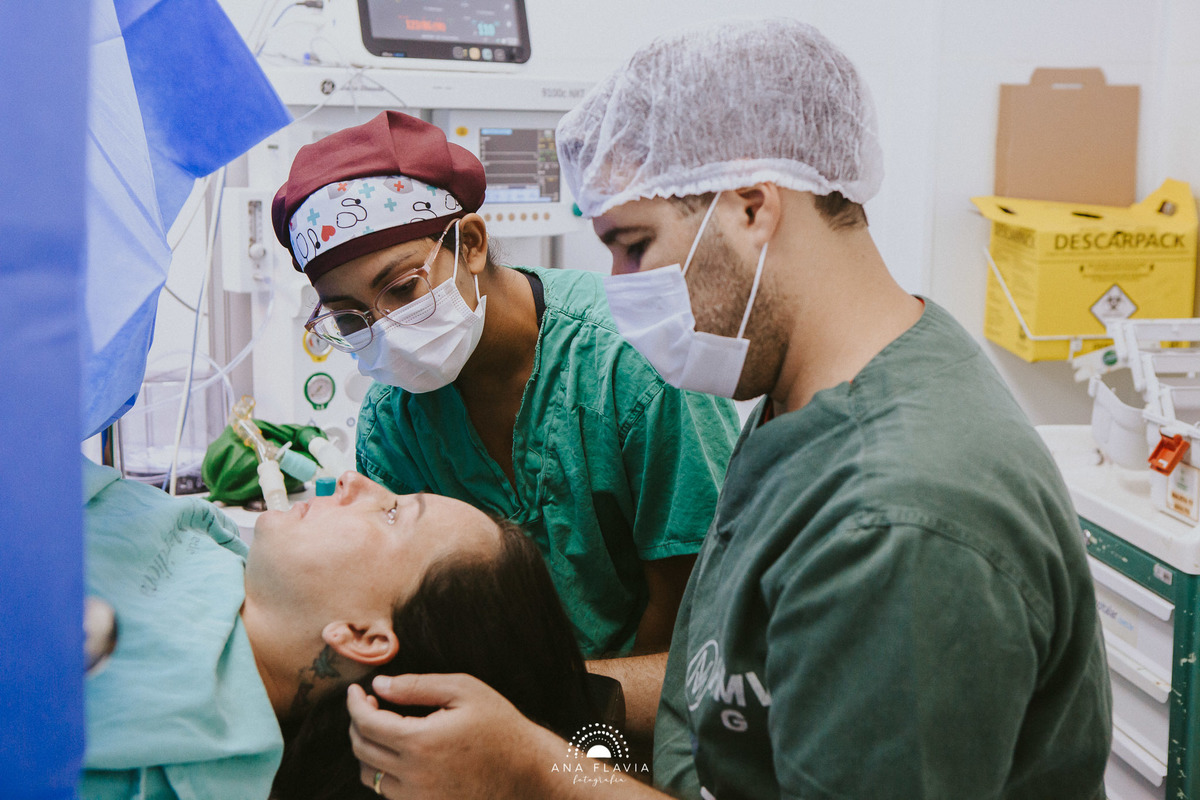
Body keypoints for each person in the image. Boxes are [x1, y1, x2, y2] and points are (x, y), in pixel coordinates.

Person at [344, 17, 1113, 800]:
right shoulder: (798, 403)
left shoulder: (897, 517)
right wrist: (549, 729)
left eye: (634, 245)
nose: (616, 286)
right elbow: (716, 716)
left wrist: (530, 770)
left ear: (752, 207)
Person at [270, 114, 739, 693]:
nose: (386, 330)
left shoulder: (634, 364)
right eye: (349, 315)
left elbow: (694, 627)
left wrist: (572, 740)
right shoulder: (393, 422)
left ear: (469, 245)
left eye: (404, 288)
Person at [80, 461, 597, 800]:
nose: (353, 481)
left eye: (392, 513)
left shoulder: (187, 762)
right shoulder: (205, 534)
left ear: (361, 635)